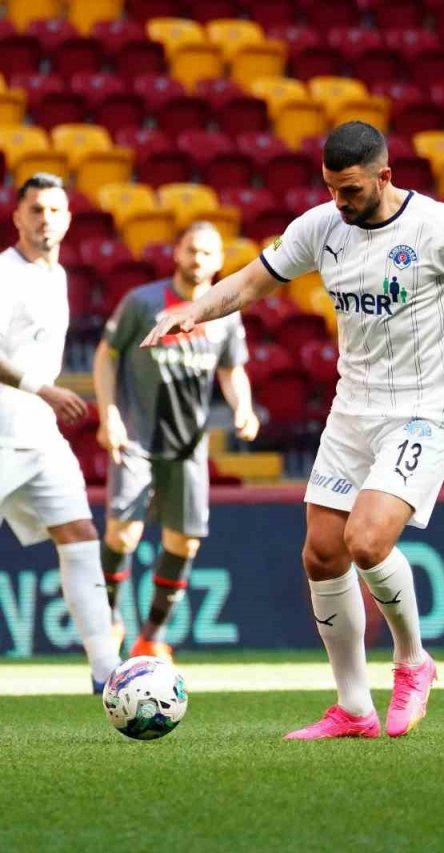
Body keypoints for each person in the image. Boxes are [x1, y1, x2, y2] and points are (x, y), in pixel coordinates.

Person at [140, 121, 444, 739]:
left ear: (385, 177)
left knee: (367, 541)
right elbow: (250, 282)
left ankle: (412, 661)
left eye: (349, 191)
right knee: (322, 554)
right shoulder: (321, 227)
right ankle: (354, 708)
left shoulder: (436, 226)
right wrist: (195, 309)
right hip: (353, 408)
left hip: (423, 408)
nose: (339, 203)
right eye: (330, 189)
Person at [92, 221, 258, 663]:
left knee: (184, 542)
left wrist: (242, 406)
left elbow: (231, 368)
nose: (198, 259)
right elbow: (106, 357)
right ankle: (107, 622)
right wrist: (108, 415)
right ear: (177, 253)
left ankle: (152, 637)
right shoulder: (142, 302)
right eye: (191, 250)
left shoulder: (224, 312)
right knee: (122, 533)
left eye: (207, 253)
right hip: (137, 438)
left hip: (188, 445)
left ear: (220, 262)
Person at [0, 173, 121, 693]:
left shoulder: (57, 275)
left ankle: (106, 672)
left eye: (54, 210)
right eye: (36, 209)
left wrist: (42, 400)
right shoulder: (5, 274)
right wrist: (42, 389)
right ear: (17, 216)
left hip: (40, 436)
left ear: (68, 219)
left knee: (79, 537)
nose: (45, 218)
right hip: (3, 430)